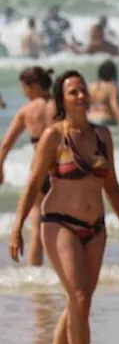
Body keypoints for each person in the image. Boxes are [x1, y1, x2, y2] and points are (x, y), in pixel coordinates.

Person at [8, 70, 119, 344]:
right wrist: (16, 228)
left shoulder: (103, 136)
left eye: (83, 90)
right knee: (80, 297)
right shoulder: (55, 136)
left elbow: (113, 186)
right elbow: (32, 184)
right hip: (58, 223)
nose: (81, 96)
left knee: (80, 301)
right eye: (73, 92)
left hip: (95, 227)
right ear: (62, 100)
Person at [0, 67, 55, 266]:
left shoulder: (27, 110)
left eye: (24, 88)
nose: (23, 92)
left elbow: (6, 143)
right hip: (62, 170)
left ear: (34, 86)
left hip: (39, 171)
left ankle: (36, 275)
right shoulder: (61, 105)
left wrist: (0, 166)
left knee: (37, 227)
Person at [88, 60, 119, 127]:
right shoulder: (112, 87)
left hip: (89, 120)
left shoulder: (90, 86)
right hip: (105, 121)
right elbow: (115, 106)